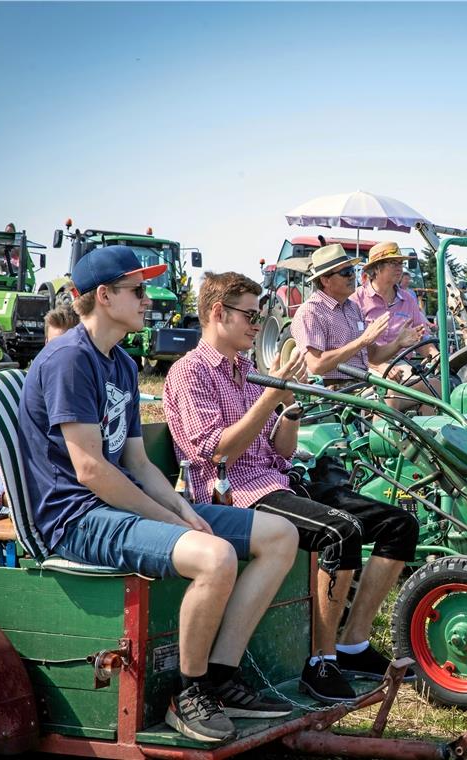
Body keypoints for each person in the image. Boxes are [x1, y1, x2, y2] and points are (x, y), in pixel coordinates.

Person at [19, 246, 300, 743]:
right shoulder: (68, 360)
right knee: (214, 558)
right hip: (74, 519)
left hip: (114, 505)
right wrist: (170, 520)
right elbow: (89, 471)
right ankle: (188, 694)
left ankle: (220, 677)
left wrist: (181, 507)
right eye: (138, 291)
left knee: (279, 534)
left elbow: (138, 463)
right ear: (104, 297)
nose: (148, 300)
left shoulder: (122, 364)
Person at [166, 271, 419, 704]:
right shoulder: (190, 373)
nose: (256, 323)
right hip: (234, 495)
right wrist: (272, 396)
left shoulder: (246, 369)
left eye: (258, 314)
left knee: (400, 524)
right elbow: (218, 455)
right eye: (249, 314)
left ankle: (352, 644)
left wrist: (291, 411)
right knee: (340, 530)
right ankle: (320, 663)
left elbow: (280, 452)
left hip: (274, 481)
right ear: (217, 313)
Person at [0, 305, 80, 509]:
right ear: (45, 344)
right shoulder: (22, 394)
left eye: (68, 349)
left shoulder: (88, 390)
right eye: (54, 347)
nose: (60, 357)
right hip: (39, 501)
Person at [290, 244, 420, 388]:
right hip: (333, 391)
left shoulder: (352, 307)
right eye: (345, 272)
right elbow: (316, 365)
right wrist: (361, 341)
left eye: (352, 270)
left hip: (361, 386)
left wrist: (398, 343)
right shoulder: (311, 311)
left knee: (432, 385)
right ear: (325, 280)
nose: (352, 276)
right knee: (394, 395)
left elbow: (373, 356)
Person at [351, 242, 440, 413]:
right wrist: (380, 366)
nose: (399, 268)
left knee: (437, 386)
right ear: (376, 268)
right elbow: (353, 348)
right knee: (391, 389)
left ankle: (424, 434)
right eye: (393, 263)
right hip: (366, 368)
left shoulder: (408, 299)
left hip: (403, 365)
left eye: (401, 263)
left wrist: (435, 355)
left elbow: (420, 339)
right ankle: (385, 436)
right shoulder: (356, 301)